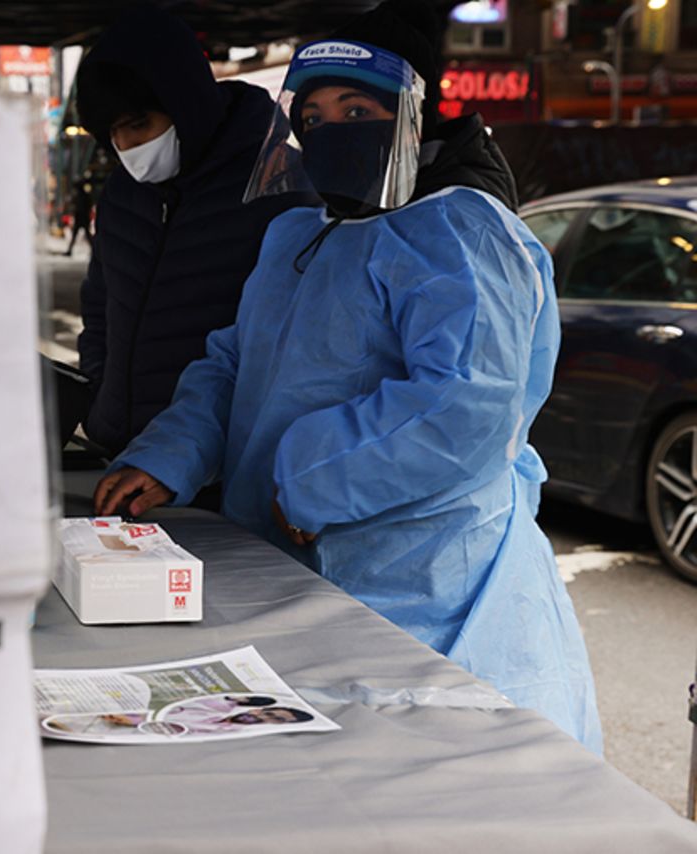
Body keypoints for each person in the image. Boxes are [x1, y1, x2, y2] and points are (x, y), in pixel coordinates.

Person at [93, 0, 602, 752]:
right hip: (294, 569)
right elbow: (234, 362)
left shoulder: (460, 232)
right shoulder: (298, 232)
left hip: (430, 591)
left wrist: (309, 476)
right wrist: (167, 452)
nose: (333, 129)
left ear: (411, 114)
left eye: (357, 107)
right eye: (316, 114)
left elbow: (464, 404)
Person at [72, 6, 311, 457]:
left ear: (184, 101)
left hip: (218, 463)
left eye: (139, 124)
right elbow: (100, 302)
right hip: (118, 449)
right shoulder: (123, 193)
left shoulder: (276, 186)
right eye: (112, 134)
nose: (127, 147)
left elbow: (289, 344)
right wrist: (100, 392)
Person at [63, 175, 95, 256]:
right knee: (83, 235)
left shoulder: (80, 195)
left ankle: (94, 250)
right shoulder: (83, 195)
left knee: (83, 235)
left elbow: (79, 207)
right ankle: (70, 251)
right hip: (82, 217)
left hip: (81, 217)